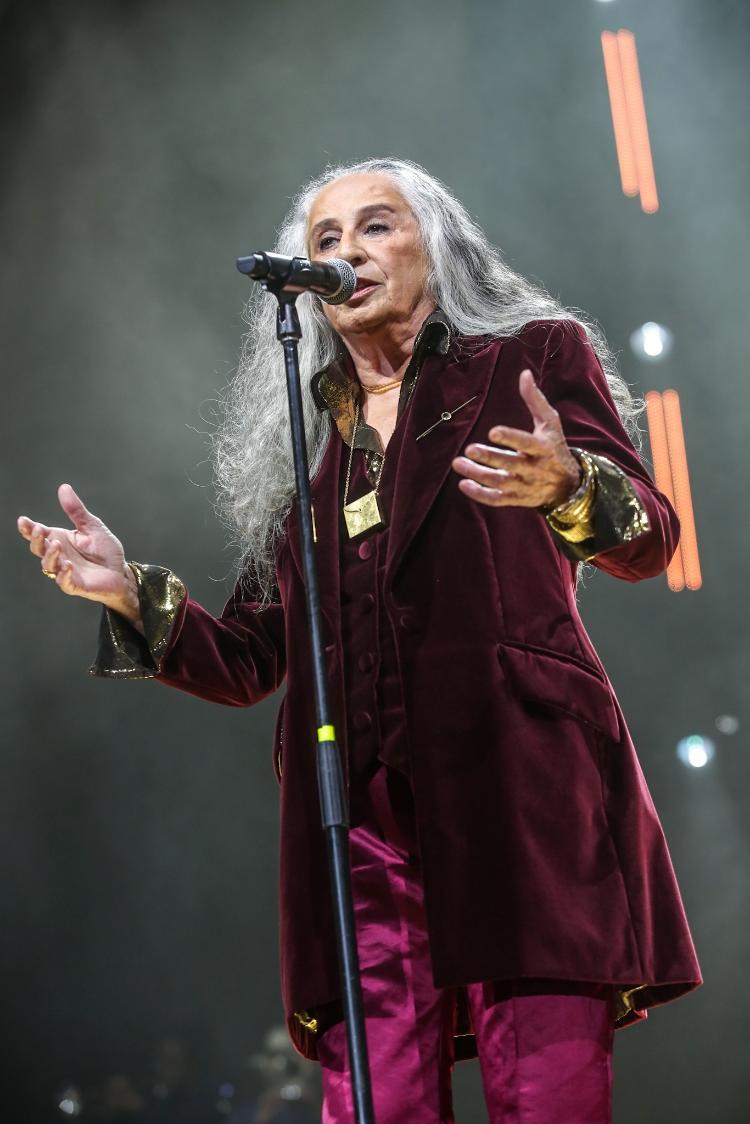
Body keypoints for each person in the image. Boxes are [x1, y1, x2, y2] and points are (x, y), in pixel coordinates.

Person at [18, 158, 701, 1124]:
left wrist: (573, 486)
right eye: (325, 240)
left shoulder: (528, 358)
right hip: (359, 822)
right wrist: (128, 594)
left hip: (520, 778)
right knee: (376, 1098)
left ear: (441, 247)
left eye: (375, 227)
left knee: (543, 1085)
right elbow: (253, 659)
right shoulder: (309, 443)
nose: (344, 253)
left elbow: (653, 540)